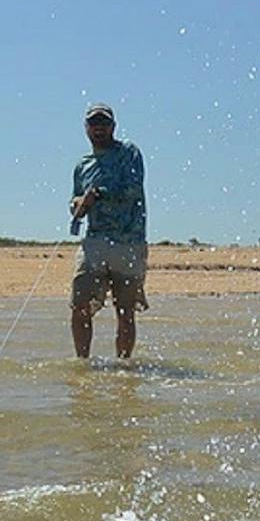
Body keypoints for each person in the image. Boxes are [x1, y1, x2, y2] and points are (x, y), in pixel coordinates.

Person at [69, 103, 147, 360]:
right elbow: (75, 201)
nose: (99, 128)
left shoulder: (129, 152)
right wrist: (77, 204)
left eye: (104, 123)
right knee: (80, 306)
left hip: (129, 243)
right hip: (94, 243)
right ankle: (83, 364)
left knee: (125, 311)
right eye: (94, 123)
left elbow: (133, 189)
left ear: (113, 126)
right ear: (86, 129)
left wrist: (99, 194)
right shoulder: (82, 165)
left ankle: (124, 368)